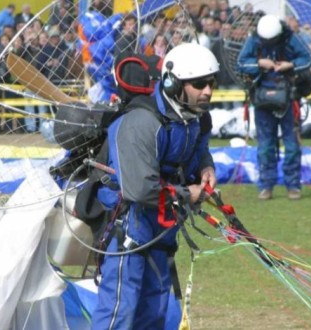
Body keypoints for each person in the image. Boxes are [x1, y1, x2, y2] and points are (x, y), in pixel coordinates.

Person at [92, 43, 218, 329]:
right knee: (120, 306)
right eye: (199, 84)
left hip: (163, 219)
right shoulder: (141, 123)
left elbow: (199, 148)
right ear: (173, 83)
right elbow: (139, 189)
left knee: (157, 304)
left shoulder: (195, 117)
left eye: (211, 83)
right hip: (129, 219)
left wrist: (205, 168)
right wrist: (190, 194)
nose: (208, 91)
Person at [237, 14, 311, 200]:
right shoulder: (254, 39)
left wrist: (290, 64)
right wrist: (259, 63)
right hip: (262, 99)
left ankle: (293, 185)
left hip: (289, 97)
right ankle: (266, 186)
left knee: (292, 144)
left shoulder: (291, 38)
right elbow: (241, 63)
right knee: (265, 145)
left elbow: (309, 58)